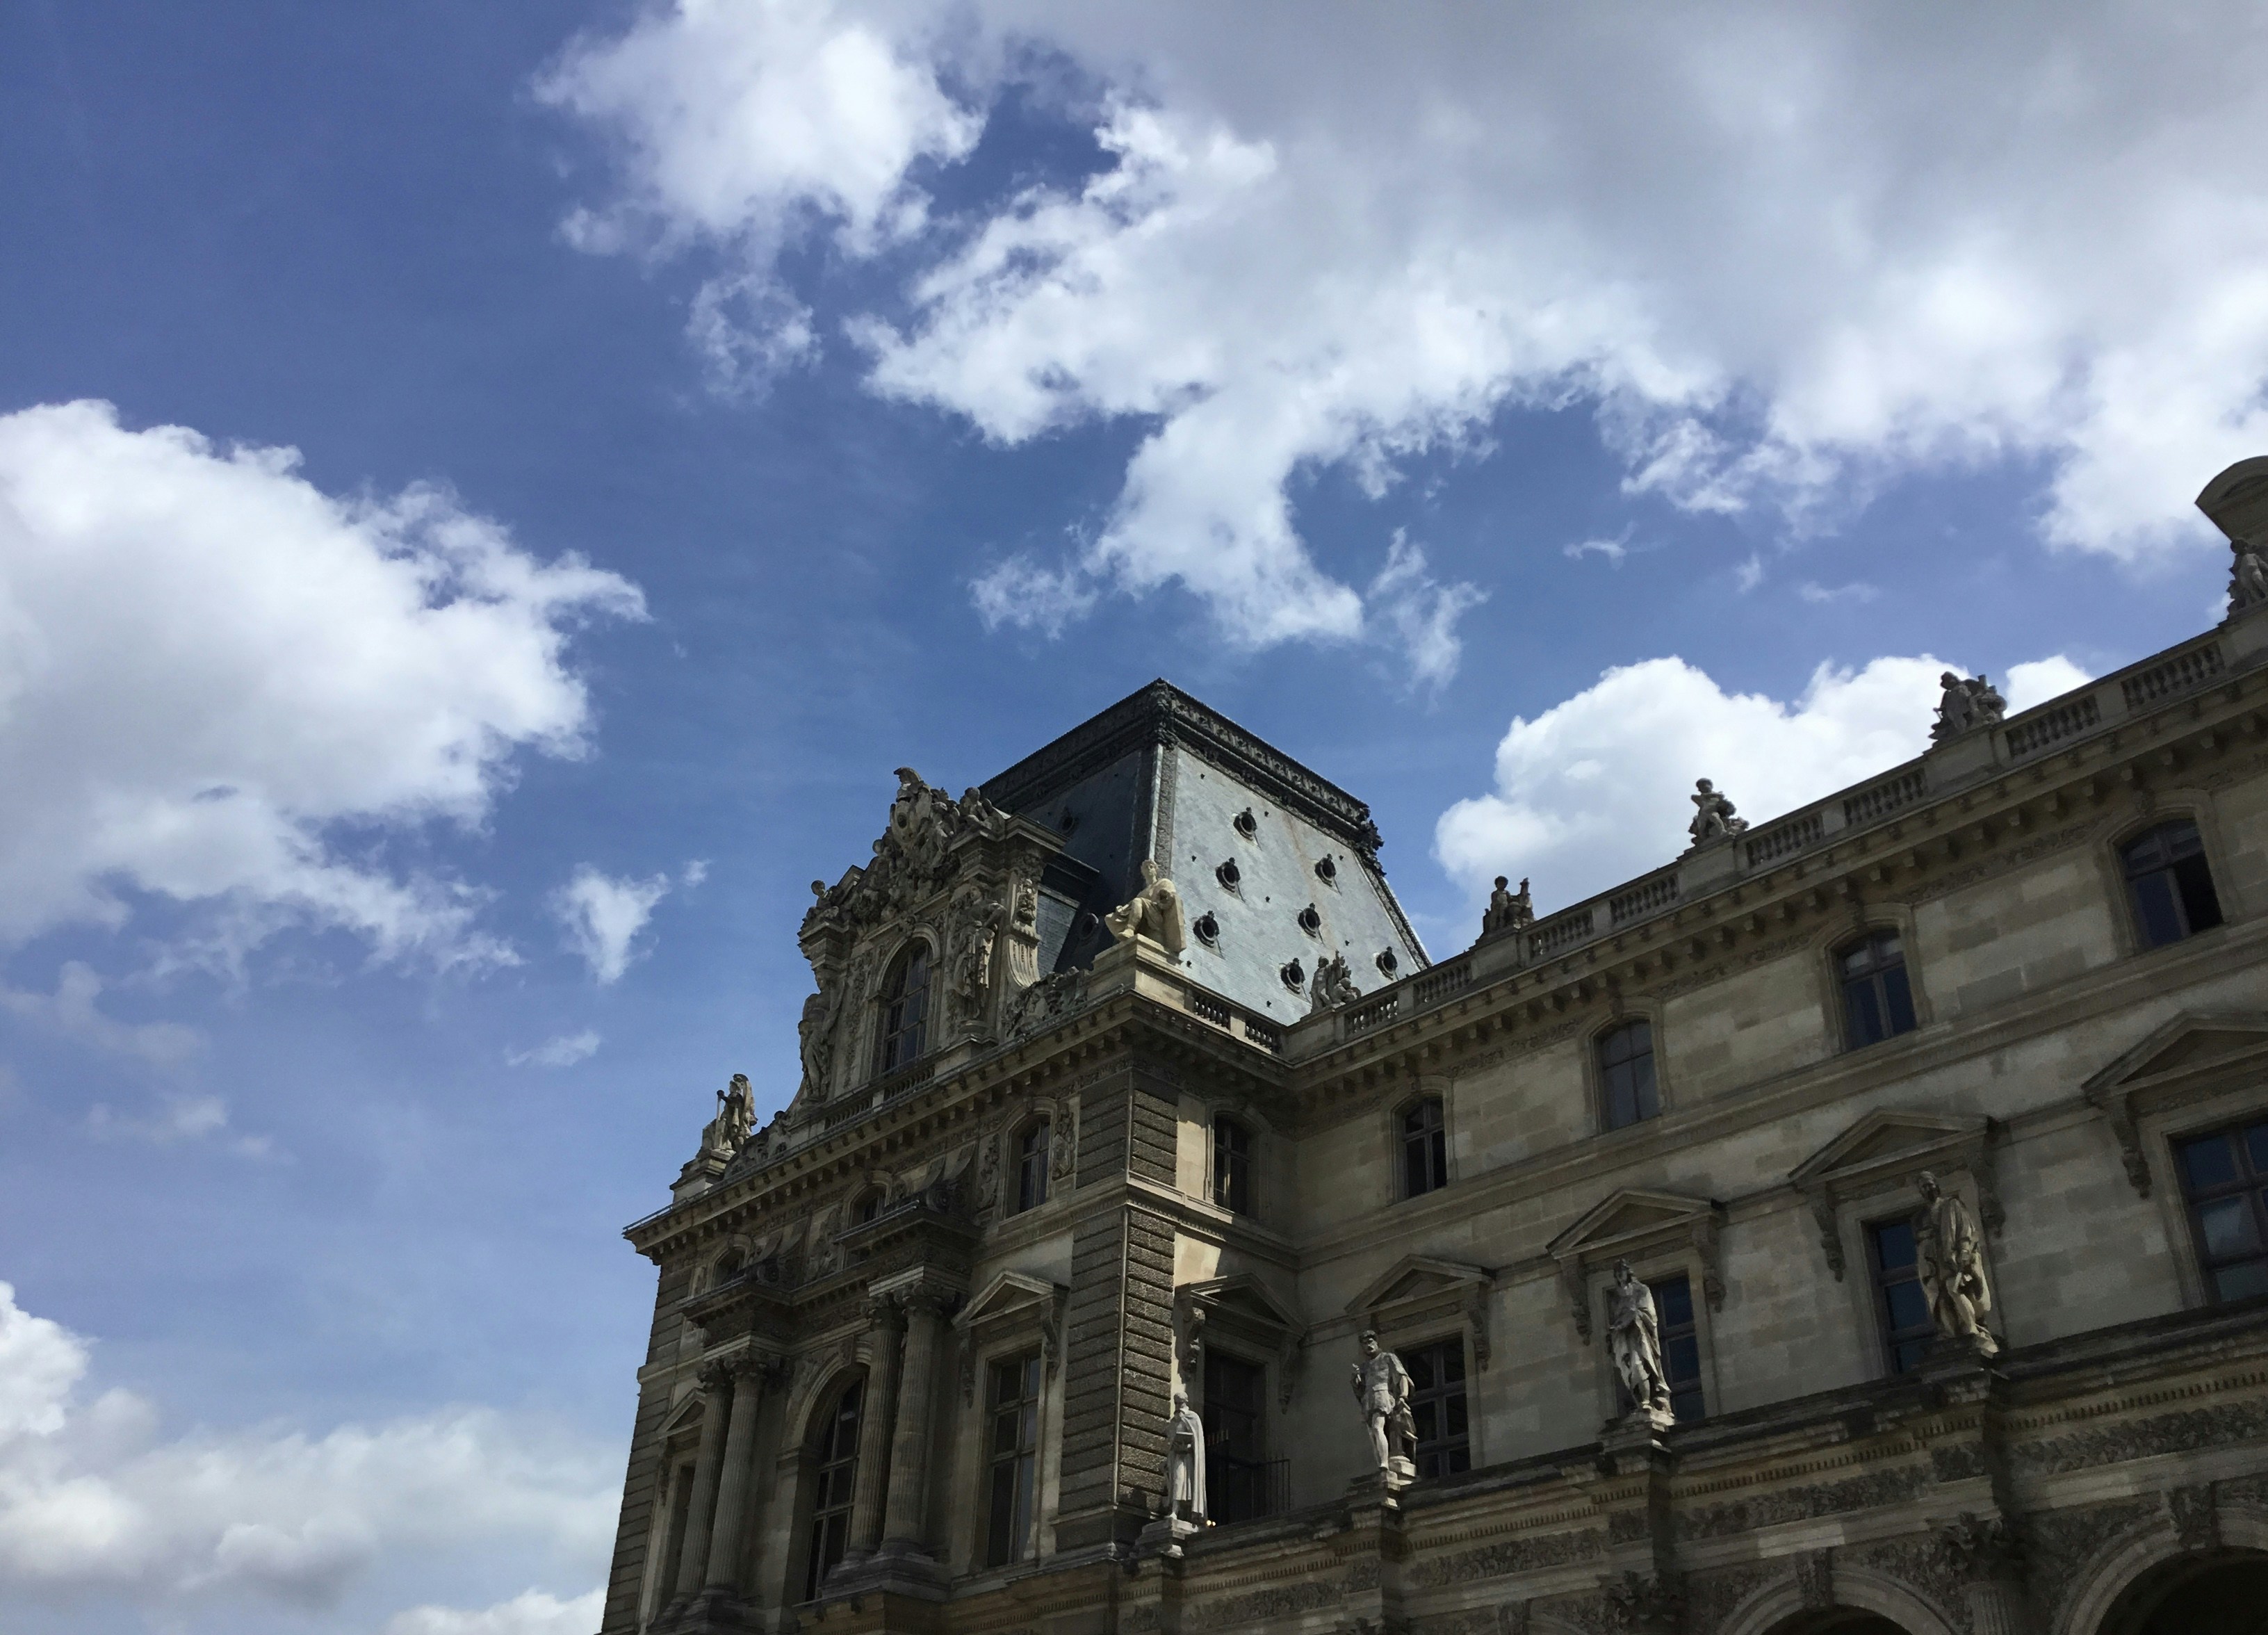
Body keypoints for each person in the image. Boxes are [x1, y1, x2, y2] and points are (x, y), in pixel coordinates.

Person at [1916, 1171, 1998, 1356]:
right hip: (1933, 1261)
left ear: (1936, 1185)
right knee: (1942, 1298)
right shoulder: (1922, 1217)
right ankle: (1952, 1333)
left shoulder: (1952, 1205)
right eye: (1924, 1187)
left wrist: (1964, 1251)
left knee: (1954, 1288)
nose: (1928, 1189)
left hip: (1952, 1257)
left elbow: (1965, 1229)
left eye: (1930, 1184)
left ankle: (1971, 1328)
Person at [1606, 1259, 1672, 1420]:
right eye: (1617, 1272)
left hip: (1640, 1337)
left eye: (1622, 1271)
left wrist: (1630, 1318)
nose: (1620, 1275)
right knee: (1629, 1371)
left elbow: (1648, 1313)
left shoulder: (1641, 1290)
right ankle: (1639, 1402)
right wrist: (1617, 1328)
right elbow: (1616, 1317)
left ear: (1628, 1272)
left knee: (1639, 1365)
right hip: (1624, 1339)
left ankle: (1646, 1401)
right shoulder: (1616, 1298)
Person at [1349, 1330, 1415, 1472]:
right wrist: (1356, 1381)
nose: (1368, 1346)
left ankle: (1384, 1462)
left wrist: (1403, 1396)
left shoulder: (1388, 1358)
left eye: (1370, 1342)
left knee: (1377, 1427)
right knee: (1373, 1433)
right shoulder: (1364, 1367)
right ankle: (1381, 1462)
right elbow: (1360, 1391)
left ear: (1376, 1342)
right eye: (1365, 1344)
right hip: (1368, 1398)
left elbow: (1402, 1376)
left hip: (1383, 1394)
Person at [1104, 858, 1187, 959]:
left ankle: (1130, 929)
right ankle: (1127, 938)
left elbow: (1171, 898)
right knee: (1109, 918)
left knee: (1138, 901)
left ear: (1156, 871)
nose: (1148, 869)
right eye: (1146, 868)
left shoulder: (1164, 883)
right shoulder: (1142, 893)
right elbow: (1132, 906)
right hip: (1144, 917)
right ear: (1143, 873)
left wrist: (1165, 896)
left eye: (1151, 867)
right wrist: (1122, 909)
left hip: (1157, 917)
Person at [1166, 1391, 1207, 1520]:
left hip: (1189, 1459)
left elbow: (1198, 1442)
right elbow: (1169, 1441)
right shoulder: (1173, 1421)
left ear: (1186, 1402)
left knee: (1182, 1482)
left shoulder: (1193, 1417)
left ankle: (1178, 1512)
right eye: (1176, 1403)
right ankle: (1176, 1511)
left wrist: (1188, 1447)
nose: (1178, 1406)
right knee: (1176, 1481)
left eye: (1180, 1403)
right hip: (1176, 1457)